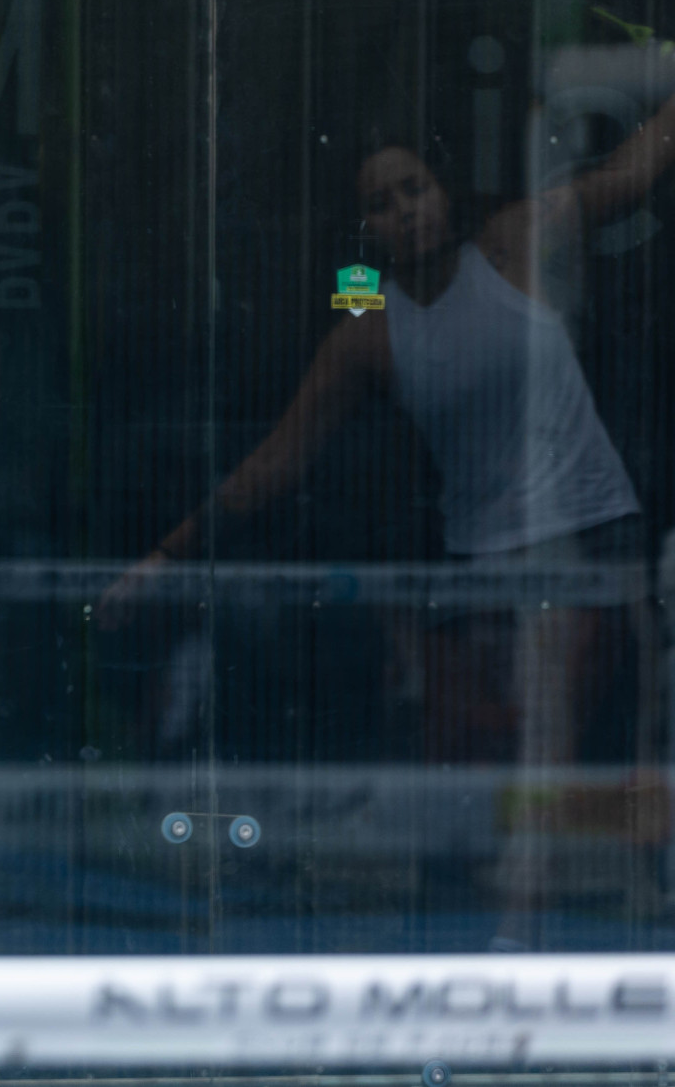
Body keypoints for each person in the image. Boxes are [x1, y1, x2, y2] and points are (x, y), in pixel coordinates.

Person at [102, 92, 675, 948]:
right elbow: (272, 467)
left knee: (547, 735)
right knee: (469, 751)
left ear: (443, 190)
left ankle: (521, 938)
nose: (405, 209)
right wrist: (160, 560)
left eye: (415, 188)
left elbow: (629, 175)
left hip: (591, 536)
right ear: (365, 228)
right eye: (381, 201)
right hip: (481, 563)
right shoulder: (367, 334)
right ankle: (469, 934)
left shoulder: (515, 242)